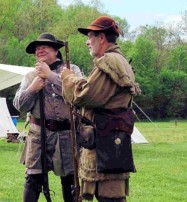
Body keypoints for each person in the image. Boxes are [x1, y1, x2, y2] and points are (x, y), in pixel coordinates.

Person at [61, 16, 141, 202]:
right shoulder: (116, 60)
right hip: (108, 141)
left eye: (90, 37)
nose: (87, 42)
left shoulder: (109, 62)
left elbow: (85, 96)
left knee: (110, 197)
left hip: (106, 144)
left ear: (102, 38)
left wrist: (68, 78)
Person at [13, 33, 82, 202]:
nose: (39, 50)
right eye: (37, 48)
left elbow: (79, 93)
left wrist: (50, 76)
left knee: (69, 181)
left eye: (44, 46)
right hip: (38, 135)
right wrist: (32, 89)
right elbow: (19, 105)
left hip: (66, 134)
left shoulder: (71, 70)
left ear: (55, 51)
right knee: (33, 180)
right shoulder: (30, 77)